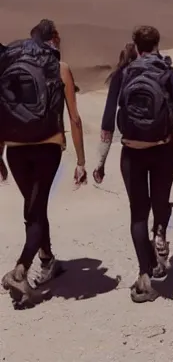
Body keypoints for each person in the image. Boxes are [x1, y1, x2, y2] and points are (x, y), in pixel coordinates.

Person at [93, 26, 173, 303]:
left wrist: (100, 161)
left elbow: (107, 120)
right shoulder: (167, 72)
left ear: (136, 46)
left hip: (132, 151)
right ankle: (161, 232)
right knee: (161, 199)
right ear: (157, 44)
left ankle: (144, 276)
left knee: (138, 214)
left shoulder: (124, 74)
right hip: (164, 148)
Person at [0, 19, 87, 306]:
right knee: (35, 211)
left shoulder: (10, 65)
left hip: (14, 149)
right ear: (56, 37)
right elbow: (74, 118)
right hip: (47, 147)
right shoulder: (60, 67)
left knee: (34, 207)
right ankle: (21, 269)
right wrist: (81, 161)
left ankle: (47, 259)